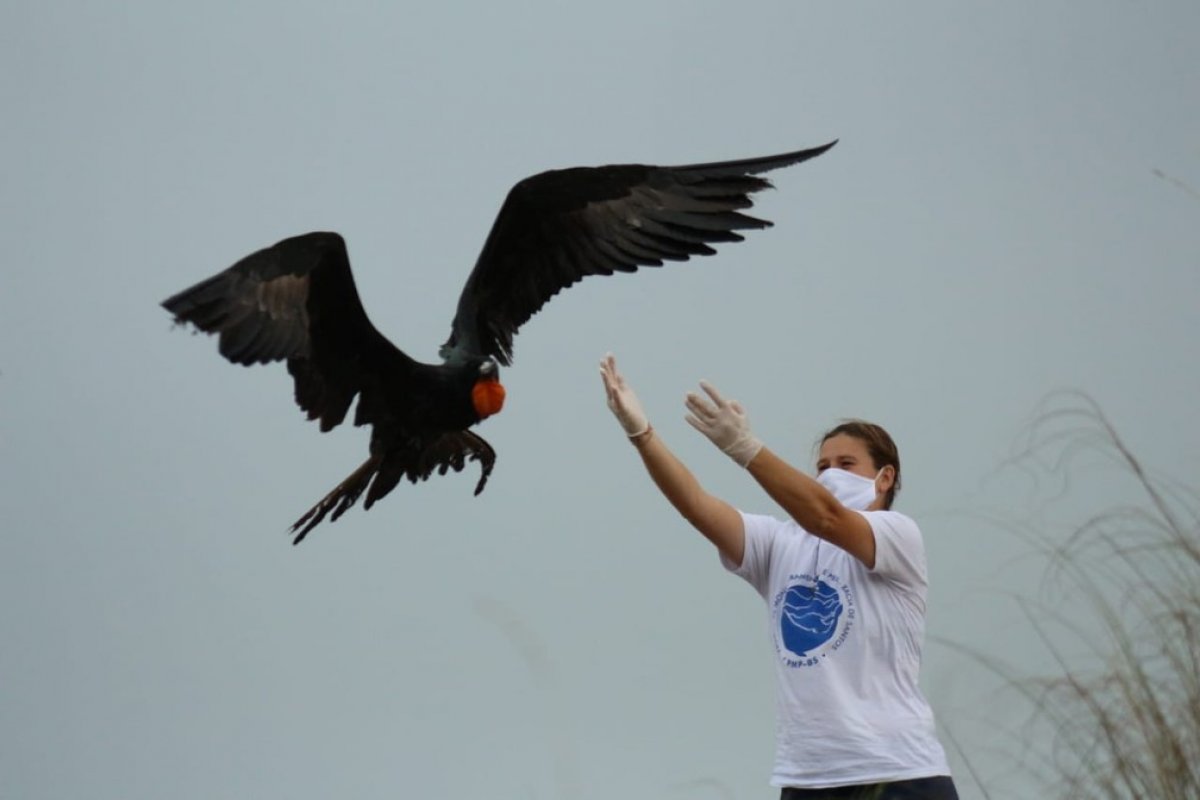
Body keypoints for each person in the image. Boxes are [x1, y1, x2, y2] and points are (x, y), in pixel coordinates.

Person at [598, 354, 958, 800]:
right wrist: (643, 435)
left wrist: (745, 448)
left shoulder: (897, 535)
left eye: (846, 464)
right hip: (806, 778)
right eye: (822, 466)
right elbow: (697, 505)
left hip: (899, 773)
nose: (830, 473)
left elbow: (826, 517)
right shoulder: (781, 543)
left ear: (885, 478)